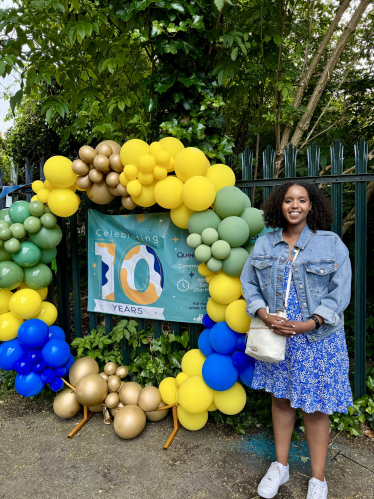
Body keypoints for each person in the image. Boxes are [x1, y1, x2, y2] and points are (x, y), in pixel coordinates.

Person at [240, 181, 353, 499]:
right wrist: (263, 314)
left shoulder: (331, 245)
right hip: (278, 339)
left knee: (315, 408)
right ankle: (281, 465)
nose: (295, 205)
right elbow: (248, 282)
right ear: (280, 205)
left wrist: (310, 322)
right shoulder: (264, 244)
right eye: (288, 200)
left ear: (311, 206)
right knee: (281, 399)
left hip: (317, 339)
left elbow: (339, 291)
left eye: (301, 200)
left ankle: (318, 479)